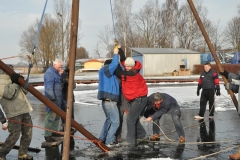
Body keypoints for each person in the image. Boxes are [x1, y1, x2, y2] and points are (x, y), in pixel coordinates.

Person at [115, 47, 148, 145]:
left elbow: (118, 73)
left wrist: (115, 61)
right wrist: (120, 50)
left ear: (132, 66)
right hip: (136, 99)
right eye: (126, 66)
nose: (126, 67)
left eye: (128, 66)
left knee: (130, 120)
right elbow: (124, 60)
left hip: (139, 99)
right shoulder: (132, 69)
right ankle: (142, 135)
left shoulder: (131, 73)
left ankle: (130, 142)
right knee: (133, 118)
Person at [0, 69, 33, 160]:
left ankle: (23, 153)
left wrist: (22, 82)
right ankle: (1, 153)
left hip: (24, 109)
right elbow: (9, 94)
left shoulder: (12, 80)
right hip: (13, 113)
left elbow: (25, 92)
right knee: (14, 135)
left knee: (28, 133)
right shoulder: (1, 82)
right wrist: (15, 83)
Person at [97, 47, 120, 147]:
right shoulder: (107, 70)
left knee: (109, 120)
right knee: (116, 122)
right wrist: (116, 54)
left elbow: (119, 68)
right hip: (110, 101)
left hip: (105, 100)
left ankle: (102, 138)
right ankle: (109, 141)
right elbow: (114, 64)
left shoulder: (106, 74)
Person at [44, 59, 64, 142]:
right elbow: (49, 88)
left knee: (56, 117)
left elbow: (58, 83)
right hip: (53, 100)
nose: (61, 67)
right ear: (55, 65)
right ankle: (47, 135)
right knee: (50, 117)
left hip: (58, 98)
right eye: (60, 66)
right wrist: (52, 99)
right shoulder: (50, 73)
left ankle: (54, 131)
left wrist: (60, 75)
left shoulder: (56, 72)